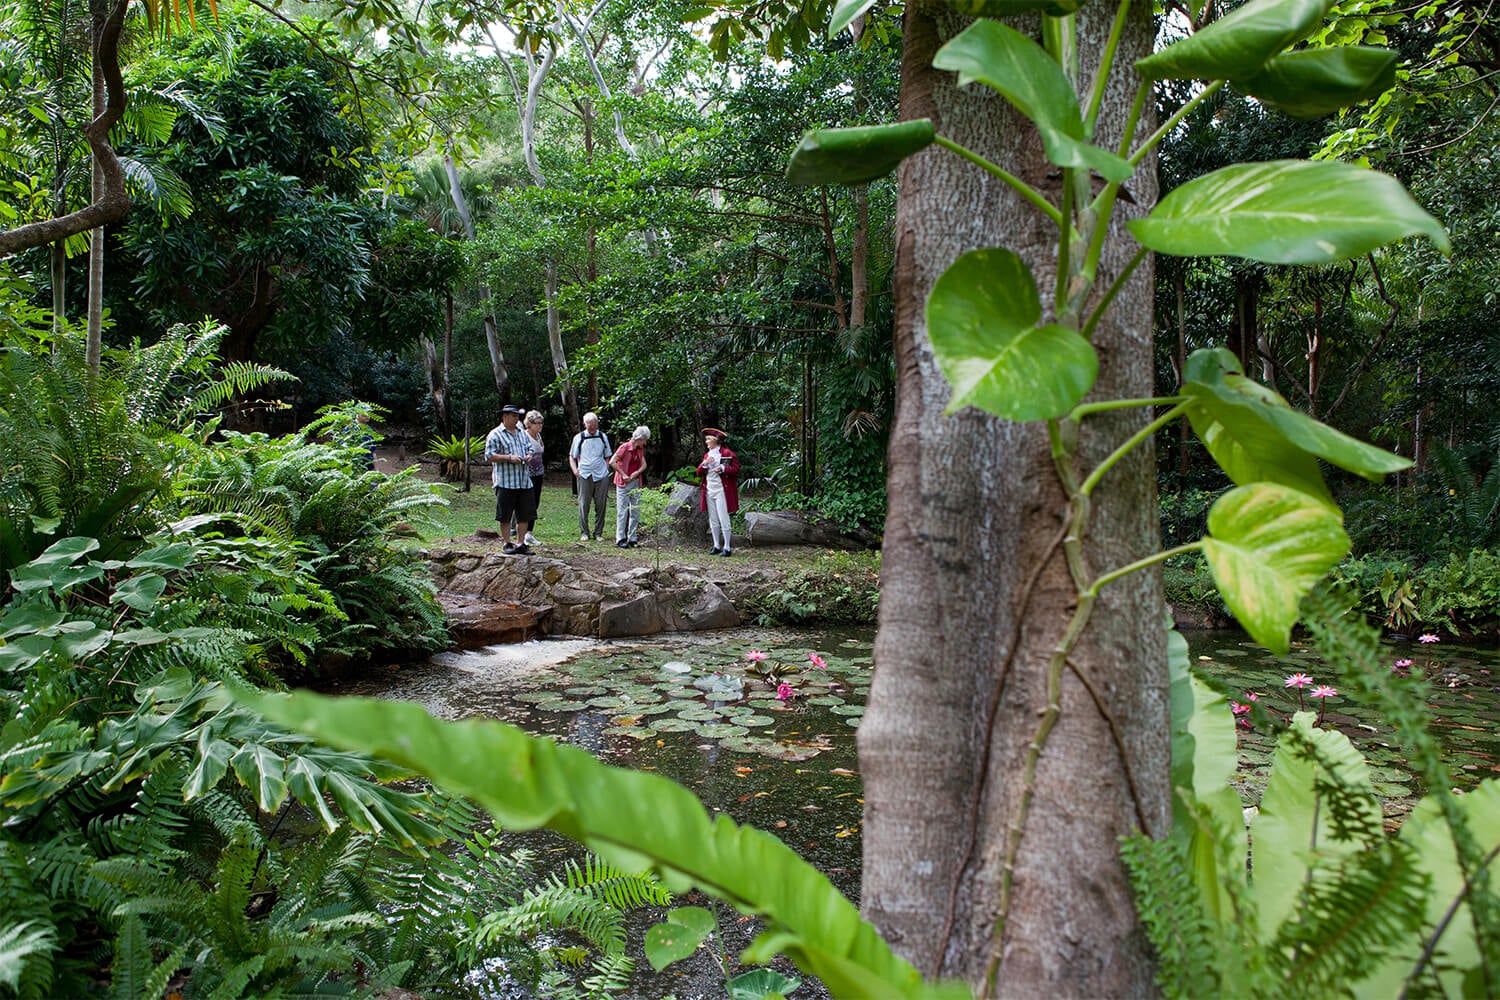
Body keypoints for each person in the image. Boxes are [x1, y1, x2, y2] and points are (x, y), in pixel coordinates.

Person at [484, 404, 536, 555]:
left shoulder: (522, 433)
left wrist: (528, 456)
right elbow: (489, 455)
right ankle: (507, 543)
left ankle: (521, 543)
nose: (516, 418)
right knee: (505, 514)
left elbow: (530, 449)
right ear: (504, 416)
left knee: (524, 514)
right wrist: (509, 458)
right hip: (506, 481)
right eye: (513, 416)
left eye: (517, 416)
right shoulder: (495, 434)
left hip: (524, 481)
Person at [696, 428, 740, 557]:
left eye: (708, 439)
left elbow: (736, 470)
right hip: (709, 489)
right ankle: (716, 545)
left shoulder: (727, 453)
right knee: (713, 519)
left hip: (722, 490)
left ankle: (727, 547)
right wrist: (704, 464)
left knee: (723, 518)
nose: (706, 442)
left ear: (716, 440)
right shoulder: (707, 455)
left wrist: (723, 468)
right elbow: (699, 472)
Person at [569, 412, 612, 541]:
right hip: (585, 474)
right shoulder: (579, 437)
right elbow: (572, 456)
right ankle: (584, 532)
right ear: (585, 424)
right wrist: (575, 470)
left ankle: (598, 532)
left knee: (601, 505)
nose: (593, 427)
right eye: (590, 424)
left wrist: (606, 468)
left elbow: (607, 455)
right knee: (584, 504)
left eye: (595, 424)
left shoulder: (603, 437)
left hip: (601, 475)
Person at [608, 425, 649, 548]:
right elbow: (612, 462)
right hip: (623, 483)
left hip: (635, 482)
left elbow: (644, 464)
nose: (645, 442)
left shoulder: (640, 449)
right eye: (645, 440)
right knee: (622, 511)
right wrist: (623, 474)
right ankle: (620, 538)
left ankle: (632, 538)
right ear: (640, 439)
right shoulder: (625, 447)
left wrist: (637, 472)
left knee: (635, 511)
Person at [516, 410, 546, 547]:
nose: (540, 425)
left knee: (535, 503)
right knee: (527, 503)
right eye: (537, 423)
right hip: (527, 475)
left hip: (538, 474)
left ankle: (530, 533)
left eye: (541, 423)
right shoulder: (524, 436)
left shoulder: (538, 436)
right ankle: (523, 533)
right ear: (529, 424)